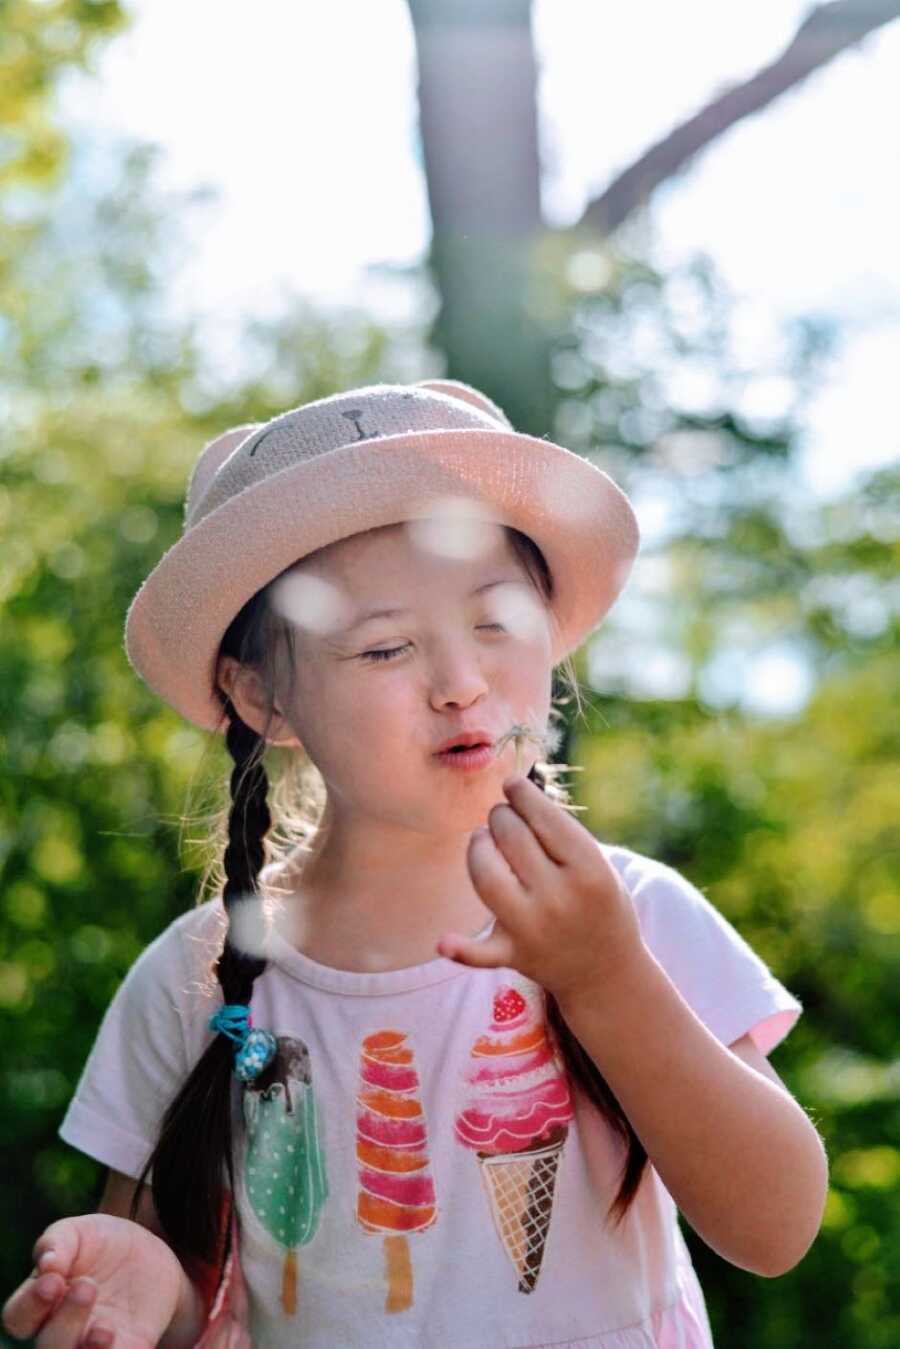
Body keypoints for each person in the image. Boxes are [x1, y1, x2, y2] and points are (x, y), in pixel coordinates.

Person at [2, 380, 827, 1349]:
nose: (463, 683)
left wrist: (605, 976)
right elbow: (185, 1292)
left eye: (496, 622)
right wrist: (144, 1285)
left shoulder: (628, 914)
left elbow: (774, 1227)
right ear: (262, 693)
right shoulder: (196, 983)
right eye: (386, 645)